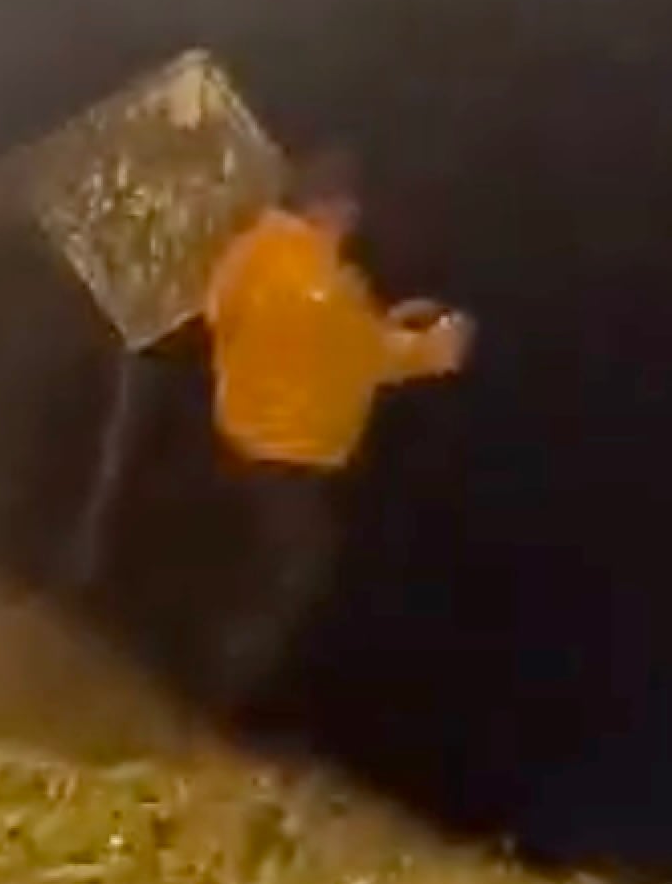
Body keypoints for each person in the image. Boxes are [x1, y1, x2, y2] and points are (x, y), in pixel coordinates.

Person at [199, 149, 471, 708]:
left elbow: (225, 314)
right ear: (333, 209)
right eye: (349, 213)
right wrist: (440, 343)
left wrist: (376, 324)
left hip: (236, 436)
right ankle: (225, 694)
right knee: (293, 579)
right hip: (287, 453)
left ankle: (219, 674)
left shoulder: (252, 249)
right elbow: (368, 354)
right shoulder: (325, 282)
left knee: (256, 565)